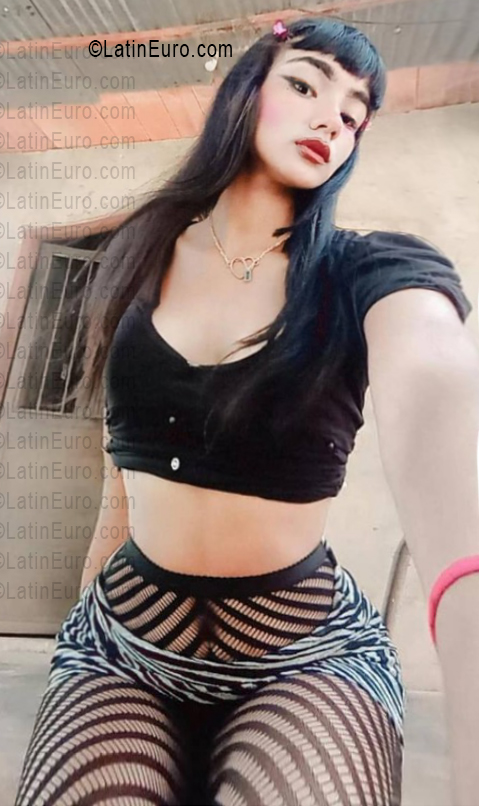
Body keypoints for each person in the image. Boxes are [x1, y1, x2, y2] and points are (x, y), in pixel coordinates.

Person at [14, 16, 476, 806]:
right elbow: (122, 474)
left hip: (305, 654)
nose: (331, 120)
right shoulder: (138, 252)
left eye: (353, 115)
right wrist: (86, 624)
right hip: (126, 644)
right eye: (305, 85)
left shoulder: (364, 270)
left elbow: (436, 384)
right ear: (244, 90)